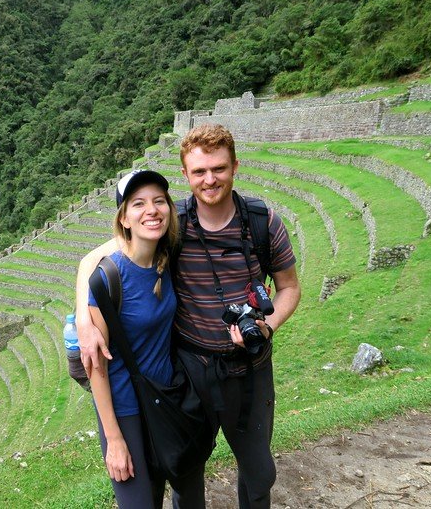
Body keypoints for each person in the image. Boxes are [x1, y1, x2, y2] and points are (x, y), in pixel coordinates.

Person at [75, 123, 301, 508]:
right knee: (185, 468)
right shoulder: (173, 224)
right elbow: (95, 258)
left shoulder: (264, 223)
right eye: (199, 171)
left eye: (219, 169)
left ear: (235, 167)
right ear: (185, 175)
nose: (210, 180)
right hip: (190, 371)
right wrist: (84, 317)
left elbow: (290, 288)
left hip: (249, 369)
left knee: (258, 472)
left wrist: (267, 326)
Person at [85, 169, 205, 508]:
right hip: (127, 411)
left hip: (167, 399)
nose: (151, 210)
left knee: (191, 495)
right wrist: (114, 441)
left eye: (158, 201)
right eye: (138, 204)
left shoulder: (168, 258)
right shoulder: (109, 279)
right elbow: (97, 369)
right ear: (124, 218)